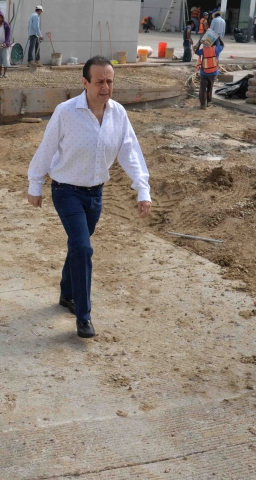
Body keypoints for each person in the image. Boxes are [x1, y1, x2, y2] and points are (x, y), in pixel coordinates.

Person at [27, 56, 151, 339]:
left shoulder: (118, 114)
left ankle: (66, 292)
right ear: (84, 83)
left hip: (95, 194)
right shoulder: (66, 112)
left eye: (109, 81)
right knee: (83, 248)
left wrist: (142, 189)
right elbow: (46, 148)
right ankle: (84, 317)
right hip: (66, 190)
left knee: (78, 246)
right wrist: (35, 183)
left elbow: (129, 152)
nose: (105, 87)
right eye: (99, 82)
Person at [196, 36, 224, 109]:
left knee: (202, 88)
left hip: (204, 72)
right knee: (210, 88)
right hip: (213, 72)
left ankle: (202, 104)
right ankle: (208, 102)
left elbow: (196, 51)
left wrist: (199, 43)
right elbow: (222, 45)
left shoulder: (204, 50)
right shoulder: (216, 49)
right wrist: (219, 38)